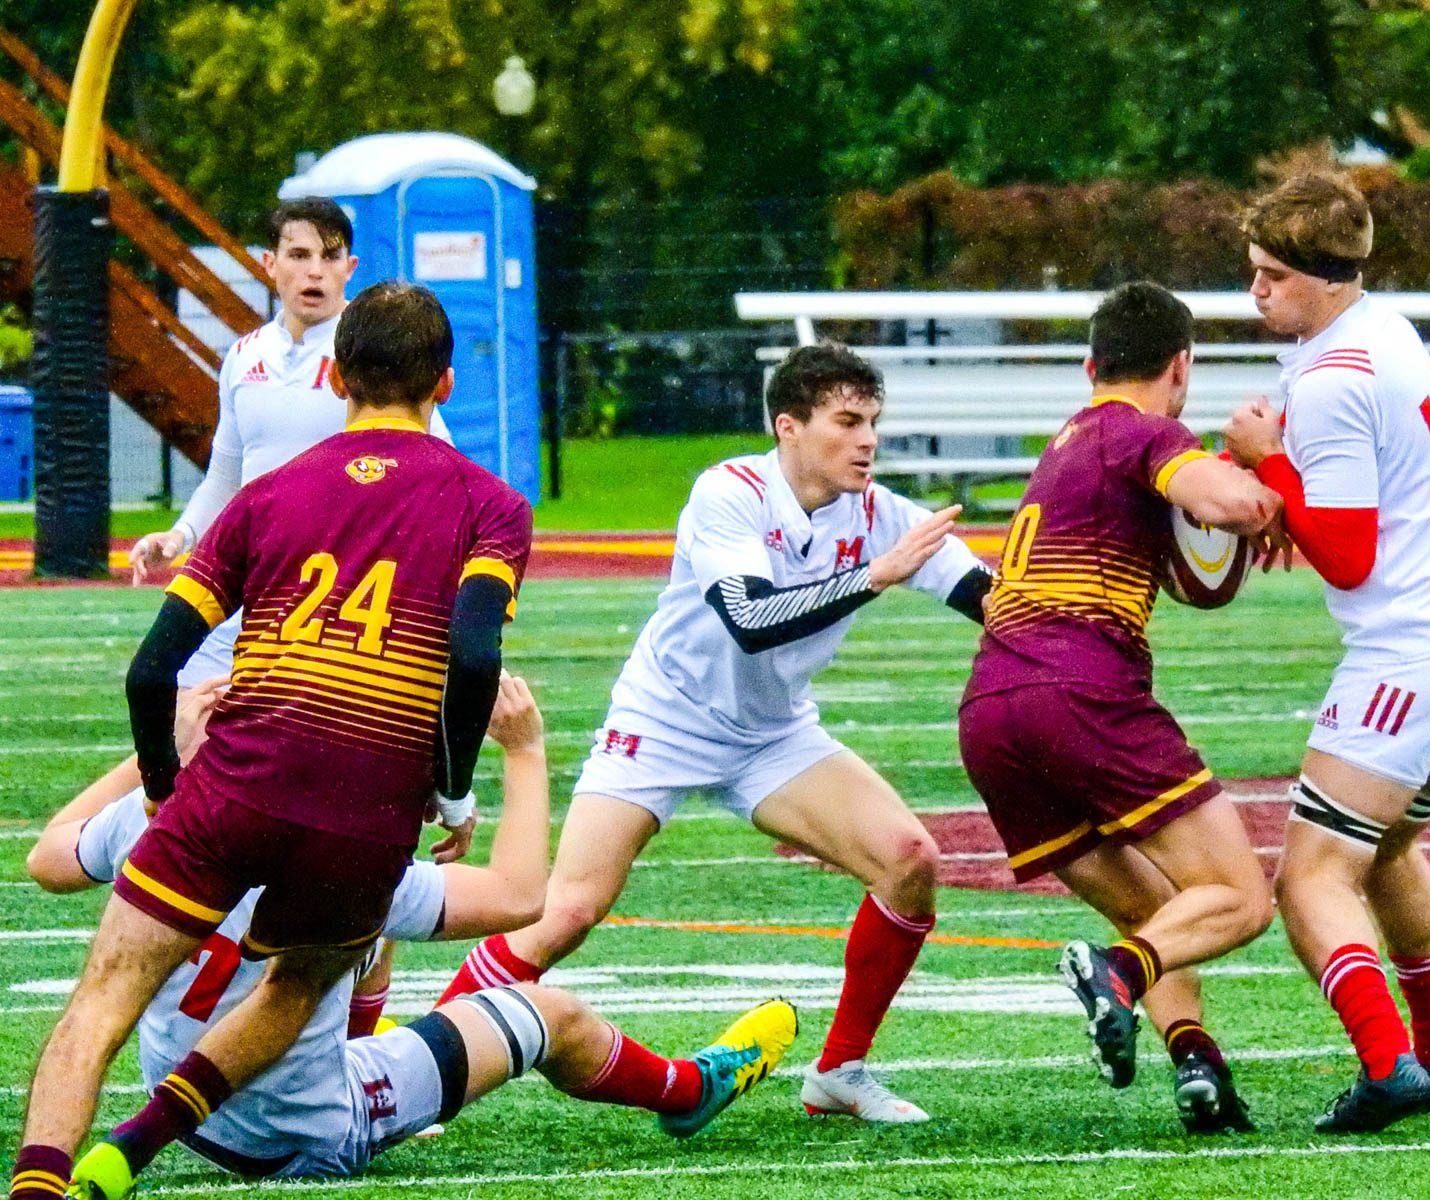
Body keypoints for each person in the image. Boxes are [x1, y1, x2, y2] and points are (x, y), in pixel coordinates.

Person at [10, 281, 533, 1200]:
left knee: (99, 1003)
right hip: (363, 811)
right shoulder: (489, 503)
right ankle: (132, 1149)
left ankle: (38, 1188)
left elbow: (151, 670)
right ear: (445, 384)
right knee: (298, 986)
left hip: (237, 783)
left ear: (334, 376)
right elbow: (473, 650)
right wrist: (451, 792)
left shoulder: (267, 497)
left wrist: (172, 794)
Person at [436, 341, 994, 1123]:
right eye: (847, 421)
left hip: (774, 733)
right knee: (564, 912)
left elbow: (989, 598)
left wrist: (1073, 616)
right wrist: (874, 577)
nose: (867, 439)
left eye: (873, 421)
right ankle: (431, 1071)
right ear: (788, 426)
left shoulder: (882, 516)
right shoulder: (728, 491)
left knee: (909, 861)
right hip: (664, 716)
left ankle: (839, 1073)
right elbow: (751, 621)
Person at [17, 675, 795, 1192]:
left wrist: (162, 756)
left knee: (350, 943)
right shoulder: (351, 857)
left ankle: (357, 1037)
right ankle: (688, 1090)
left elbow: (49, 856)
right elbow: (522, 897)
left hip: (179, 1094)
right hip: (297, 1130)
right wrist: (524, 752)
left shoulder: (161, 817)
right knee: (550, 1014)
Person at [1223, 172, 1430, 1133]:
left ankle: (1387, 1065)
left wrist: (1268, 464)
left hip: (1416, 648)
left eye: (1272, 276)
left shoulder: (1327, 379)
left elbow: (1352, 560)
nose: (1257, 293)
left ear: (1321, 277)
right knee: (1389, 844)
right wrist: (1295, 495)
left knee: (1310, 876)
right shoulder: (1383, 329)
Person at [956, 282, 1282, 1132]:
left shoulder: (1069, 441)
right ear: (1182, 367)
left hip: (991, 709)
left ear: (1090, 365)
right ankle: (1116, 977)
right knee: (1239, 900)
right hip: (1079, 688)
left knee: (1160, 914)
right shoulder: (1143, 429)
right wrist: (1262, 474)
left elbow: (1186, 556)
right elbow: (1225, 504)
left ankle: (1198, 1066)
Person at [127, 196, 450, 686]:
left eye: (330, 256)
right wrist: (180, 536)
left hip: (337, 592)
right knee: (180, 718)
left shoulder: (375, 351)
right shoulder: (243, 355)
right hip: (249, 578)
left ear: (351, 267)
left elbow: (436, 466)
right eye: (299, 256)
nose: (315, 272)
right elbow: (228, 476)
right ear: (269, 264)